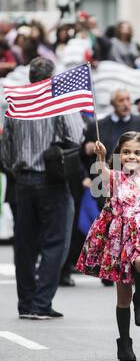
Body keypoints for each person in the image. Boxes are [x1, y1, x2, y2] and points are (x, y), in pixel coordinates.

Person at [76, 132, 140, 361]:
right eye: (126, 152)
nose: (131, 156)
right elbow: (102, 172)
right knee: (122, 296)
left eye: (137, 152)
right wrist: (101, 157)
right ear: (119, 155)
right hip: (119, 240)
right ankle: (124, 342)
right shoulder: (113, 177)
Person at [0, 57, 85, 319]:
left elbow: (5, 149)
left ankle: (26, 303)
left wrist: (16, 166)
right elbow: (75, 135)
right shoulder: (58, 99)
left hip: (22, 180)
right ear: (51, 76)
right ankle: (40, 304)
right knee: (55, 241)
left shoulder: (17, 101)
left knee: (24, 244)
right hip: (52, 180)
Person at [83, 88, 140, 286]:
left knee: (130, 224)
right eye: (121, 100)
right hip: (106, 180)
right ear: (113, 103)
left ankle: (129, 264)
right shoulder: (100, 125)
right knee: (109, 223)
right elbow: (85, 153)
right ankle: (108, 266)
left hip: (135, 181)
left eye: (128, 99)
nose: (126, 103)